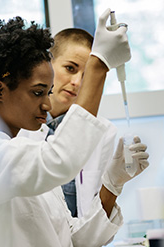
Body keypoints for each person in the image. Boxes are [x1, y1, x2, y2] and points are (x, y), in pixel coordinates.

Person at [0, 8, 138, 247]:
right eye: (38, 92)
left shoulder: (25, 148)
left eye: (48, 92)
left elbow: (71, 241)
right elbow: (58, 160)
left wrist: (113, 183)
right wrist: (99, 64)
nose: (47, 104)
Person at [20, 28, 150, 218]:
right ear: (47, 64)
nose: (77, 82)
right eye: (70, 68)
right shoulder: (20, 129)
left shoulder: (102, 132)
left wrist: (114, 182)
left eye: (86, 75)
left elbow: (93, 229)